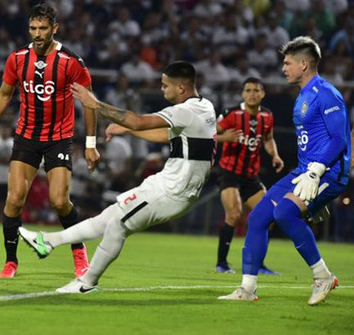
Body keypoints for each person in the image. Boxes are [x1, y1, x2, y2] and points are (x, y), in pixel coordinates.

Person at [18, 61, 216, 293]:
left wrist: (96, 104)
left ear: (181, 88)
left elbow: (138, 120)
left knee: (118, 225)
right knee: (106, 218)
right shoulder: (205, 107)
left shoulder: (185, 110)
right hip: (167, 184)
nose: (162, 90)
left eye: (165, 86)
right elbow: (166, 136)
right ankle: (48, 242)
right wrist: (129, 130)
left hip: (173, 191)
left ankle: (86, 283)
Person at [219, 36, 350, 305]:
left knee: (284, 212)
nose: (283, 68)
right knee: (257, 218)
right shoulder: (303, 95)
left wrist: (316, 172)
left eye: (288, 63)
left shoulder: (327, 94)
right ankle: (247, 288)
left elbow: (339, 139)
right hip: (303, 171)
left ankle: (322, 276)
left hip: (328, 172)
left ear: (304, 64)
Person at [0, 3, 100, 279]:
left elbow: (89, 103)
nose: (37, 33)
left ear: (54, 29)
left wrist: (91, 143)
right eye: (33, 28)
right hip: (26, 137)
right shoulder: (18, 59)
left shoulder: (71, 62)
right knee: (13, 200)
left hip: (58, 139)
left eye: (43, 28)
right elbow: (3, 95)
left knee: (59, 201)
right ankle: (11, 261)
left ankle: (79, 252)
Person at [214, 77, 284, 275]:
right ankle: (222, 264)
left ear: (263, 94)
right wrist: (223, 138)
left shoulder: (267, 116)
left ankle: (258, 265)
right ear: (243, 94)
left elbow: (268, 139)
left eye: (256, 90)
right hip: (229, 172)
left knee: (269, 216)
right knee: (234, 214)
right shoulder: (232, 114)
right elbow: (208, 134)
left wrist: (275, 155)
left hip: (251, 177)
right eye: (248, 90)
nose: (252, 94)